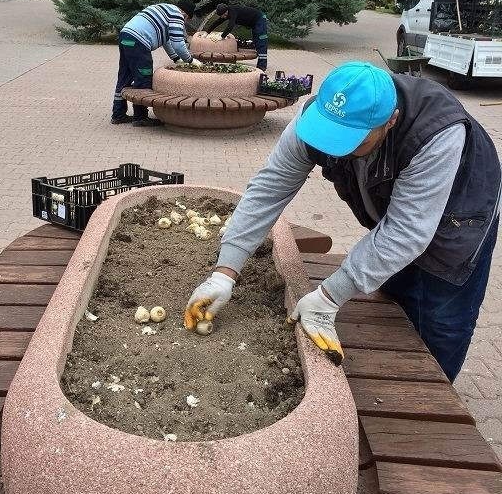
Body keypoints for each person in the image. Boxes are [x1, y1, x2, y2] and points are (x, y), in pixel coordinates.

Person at [184, 61, 501, 382]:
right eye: (330, 135)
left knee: (441, 320)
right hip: (401, 214)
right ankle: (394, 378)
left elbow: (407, 233)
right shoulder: (317, 117)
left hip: (460, 220)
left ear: (390, 121)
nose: (336, 148)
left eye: (353, 141)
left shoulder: (436, 132)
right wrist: (225, 272)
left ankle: (433, 400)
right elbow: (269, 188)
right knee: (396, 294)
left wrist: (328, 297)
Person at [112, 0, 202, 127]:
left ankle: (118, 114)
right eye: (186, 19)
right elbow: (178, 44)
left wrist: (176, 59)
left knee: (124, 75)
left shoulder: (165, 10)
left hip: (126, 36)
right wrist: (191, 60)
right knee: (143, 77)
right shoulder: (177, 14)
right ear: (184, 13)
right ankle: (140, 117)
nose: (184, 22)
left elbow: (166, 40)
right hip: (139, 41)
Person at [203, 3, 268, 71]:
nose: (222, 17)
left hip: (259, 18)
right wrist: (206, 33)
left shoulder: (232, 11)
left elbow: (230, 25)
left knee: (261, 40)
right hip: (254, 23)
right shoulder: (226, 13)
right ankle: (261, 63)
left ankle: (261, 67)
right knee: (256, 40)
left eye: (222, 15)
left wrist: (222, 37)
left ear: (226, 12)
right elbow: (216, 22)